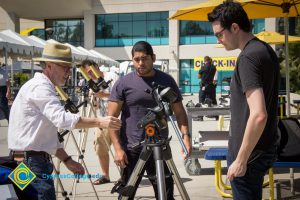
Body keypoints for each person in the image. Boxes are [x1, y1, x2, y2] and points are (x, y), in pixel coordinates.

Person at [7, 43, 122, 200]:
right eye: (64, 67)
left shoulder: (40, 86)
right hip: (31, 163)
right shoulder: (40, 87)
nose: (68, 72)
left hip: (29, 160)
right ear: (48, 66)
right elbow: (62, 120)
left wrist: (66, 160)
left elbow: (43, 135)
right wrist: (100, 121)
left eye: (69, 67)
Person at [208, 1, 279, 199]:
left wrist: (241, 159)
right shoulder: (265, 50)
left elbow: (259, 115)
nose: (219, 40)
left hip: (249, 156)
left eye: (219, 34)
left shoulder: (248, 57)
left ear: (235, 27)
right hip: (260, 150)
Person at [108, 41, 192, 200]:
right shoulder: (123, 83)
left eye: (144, 58)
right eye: (136, 59)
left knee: (166, 195)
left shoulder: (167, 80)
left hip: (160, 148)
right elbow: (111, 119)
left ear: (153, 58)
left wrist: (186, 137)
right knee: (126, 194)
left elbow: (180, 112)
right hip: (132, 149)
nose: (140, 63)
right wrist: (118, 149)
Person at [80, 59, 118, 185]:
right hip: (102, 119)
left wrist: (104, 95)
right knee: (100, 148)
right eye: (87, 73)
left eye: (90, 71)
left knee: (121, 148)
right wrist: (93, 98)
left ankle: (126, 176)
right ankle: (105, 175)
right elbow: (95, 106)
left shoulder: (111, 76)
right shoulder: (93, 83)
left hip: (117, 118)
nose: (90, 75)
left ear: (96, 66)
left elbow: (121, 95)